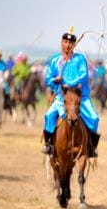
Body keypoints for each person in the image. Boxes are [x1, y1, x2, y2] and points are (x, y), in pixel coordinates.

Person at [42, 27, 100, 158]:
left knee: (95, 118)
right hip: (61, 98)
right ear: (61, 43)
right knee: (49, 116)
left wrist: (69, 83)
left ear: (74, 44)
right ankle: (49, 144)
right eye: (65, 42)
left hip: (80, 97)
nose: (67, 45)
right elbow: (48, 78)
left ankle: (91, 148)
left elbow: (83, 75)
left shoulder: (80, 59)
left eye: (70, 43)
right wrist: (54, 80)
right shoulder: (55, 60)